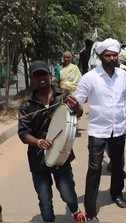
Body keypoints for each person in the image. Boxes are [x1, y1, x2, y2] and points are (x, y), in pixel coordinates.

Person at [66, 38, 126, 221]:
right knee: (94, 169)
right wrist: (74, 106)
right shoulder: (90, 77)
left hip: (118, 129)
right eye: (108, 55)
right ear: (101, 57)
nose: (111, 58)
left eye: (114, 55)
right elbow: (78, 101)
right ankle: (90, 206)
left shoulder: (123, 75)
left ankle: (116, 193)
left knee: (118, 165)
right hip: (98, 130)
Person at [18, 61, 85, 222]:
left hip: (61, 154)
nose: (41, 78)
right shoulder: (26, 105)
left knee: (67, 191)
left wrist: (77, 108)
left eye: (43, 74)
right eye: (37, 75)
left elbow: (78, 114)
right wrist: (37, 142)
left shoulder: (63, 95)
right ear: (32, 79)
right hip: (37, 157)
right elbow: (23, 133)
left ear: (49, 76)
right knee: (45, 197)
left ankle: (75, 211)